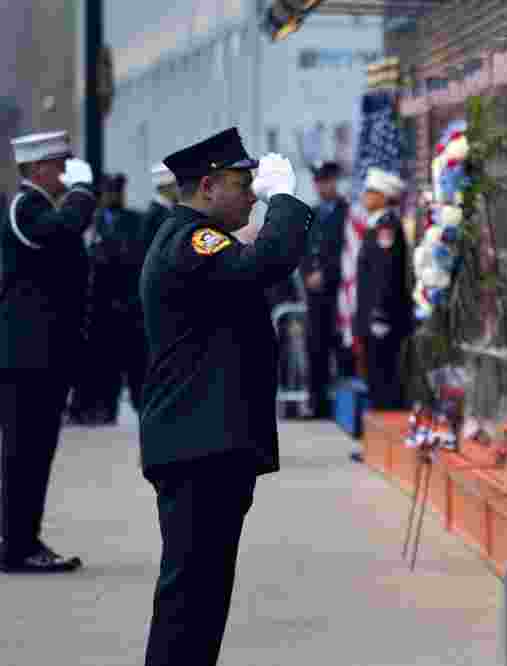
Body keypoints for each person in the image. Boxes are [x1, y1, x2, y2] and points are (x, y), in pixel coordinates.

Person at [138, 127, 311, 666]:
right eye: (244, 182)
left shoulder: (194, 239)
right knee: (190, 599)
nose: (253, 193)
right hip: (198, 443)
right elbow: (265, 264)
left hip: (205, 440)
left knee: (203, 596)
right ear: (208, 186)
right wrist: (286, 199)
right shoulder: (192, 240)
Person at [0, 130, 97, 573]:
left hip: (42, 356)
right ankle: (18, 545)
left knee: (34, 453)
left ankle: (22, 539)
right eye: (59, 165)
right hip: (28, 358)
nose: (64, 172)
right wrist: (81, 191)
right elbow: (62, 230)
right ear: (37, 168)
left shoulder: (41, 207)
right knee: (26, 453)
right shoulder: (26, 206)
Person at [87, 173, 149, 422]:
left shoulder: (136, 220)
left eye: (117, 191)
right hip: (103, 309)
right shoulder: (93, 223)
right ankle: (104, 410)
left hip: (131, 305)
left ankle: (142, 410)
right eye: (109, 191)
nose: (114, 196)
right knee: (106, 366)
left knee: (137, 364)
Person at [354, 167, 413, 411]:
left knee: (385, 380)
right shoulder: (376, 225)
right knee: (376, 381)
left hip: (383, 318)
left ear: (383, 196)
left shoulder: (386, 226)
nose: (364, 197)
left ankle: (388, 437)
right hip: (372, 316)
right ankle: (377, 441)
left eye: (370, 192)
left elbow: (385, 273)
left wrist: (380, 312)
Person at [302, 160, 351, 418]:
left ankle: (345, 405)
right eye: (319, 182)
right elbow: (303, 250)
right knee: (315, 349)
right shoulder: (310, 214)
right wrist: (307, 274)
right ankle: (317, 403)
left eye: (327, 181)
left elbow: (347, 250)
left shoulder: (347, 212)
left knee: (341, 349)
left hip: (338, 293)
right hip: (315, 295)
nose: (322, 186)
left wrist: (327, 274)